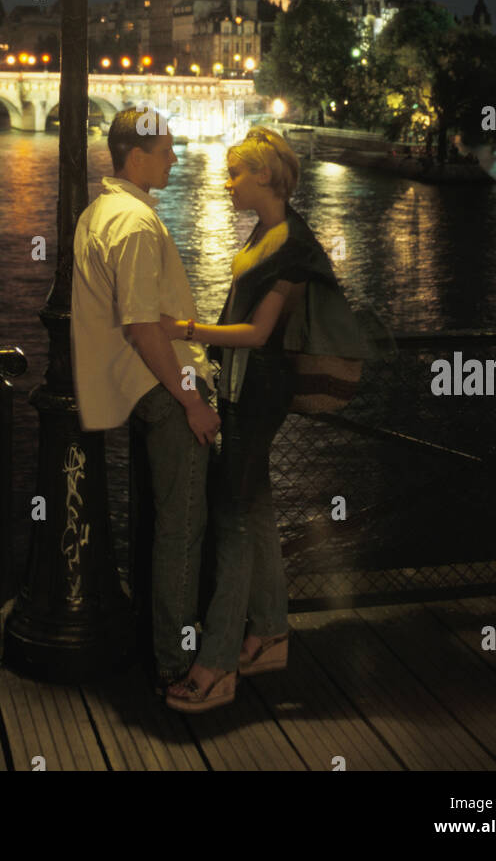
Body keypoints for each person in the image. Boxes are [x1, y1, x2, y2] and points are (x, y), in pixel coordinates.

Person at [159, 126, 340, 712]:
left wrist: (183, 330)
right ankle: (271, 635)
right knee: (255, 505)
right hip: (243, 388)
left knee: (232, 522)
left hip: (256, 395)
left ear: (264, 175)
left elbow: (259, 334)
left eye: (236, 172)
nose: (227, 181)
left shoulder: (291, 246)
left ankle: (216, 666)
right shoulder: (269, 232)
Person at [70, 108, 221, 696]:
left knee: (158, 523)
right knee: (183, 528)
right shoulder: (134, 225)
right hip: (160, 390)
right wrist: (193, 402)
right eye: (167, 152)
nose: (176, 160)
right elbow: (141, 327)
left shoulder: (97, 215)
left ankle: (155, 639)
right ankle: (175, 662)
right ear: (136, 157)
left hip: (131, 391)